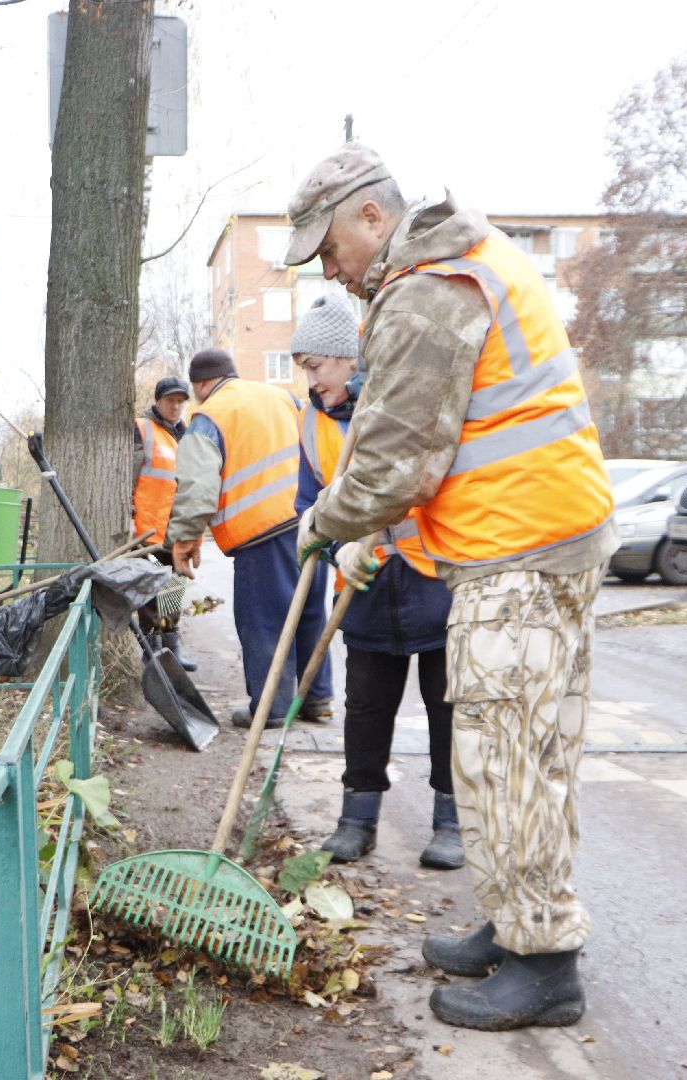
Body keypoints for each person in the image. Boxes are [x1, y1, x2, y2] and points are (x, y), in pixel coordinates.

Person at [284, 143, 616, 1031]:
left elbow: (397, 454)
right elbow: (447, 448)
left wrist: (329, 523)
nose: (330, 268)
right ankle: (518, 926)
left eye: (328, 247)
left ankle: (545, 963)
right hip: (533, 536)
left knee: (503, 758)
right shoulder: (468, 261)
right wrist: (379, 539)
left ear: (370, 217)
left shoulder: (431, 288)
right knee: (520, 752)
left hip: (523, 549)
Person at [292, 294, 463, 871]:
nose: (312, 381)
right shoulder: (313, 424)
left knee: (447, 708)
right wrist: (338, 547)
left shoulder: (399, 404)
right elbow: (308, 507)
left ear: (347, 359)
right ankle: (356, 820)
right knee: (365, 707)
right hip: (363, 588)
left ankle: (451, 821)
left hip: (432, 578)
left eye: (317, 366)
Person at [165, 348, 333, 729]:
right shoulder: (281, 396)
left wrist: (185, 537)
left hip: (262, 532)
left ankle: (272, 708)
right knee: (308, 611)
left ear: (202, 385)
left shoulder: (209, 415)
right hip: (312, 520)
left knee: (264, 621)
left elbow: (197, 486)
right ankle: (317, 699)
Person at [132, 376, 197, 671]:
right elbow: (129, 476)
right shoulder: (143, 429)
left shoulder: (182, 436)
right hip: (147, 530)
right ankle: (153, 653)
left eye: (181, 401)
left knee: (173, 588)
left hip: (175, 530)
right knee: (149, 592)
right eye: (171, 400)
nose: (176, 406)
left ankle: (171, 648)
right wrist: (128, 518)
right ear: (158, 401)